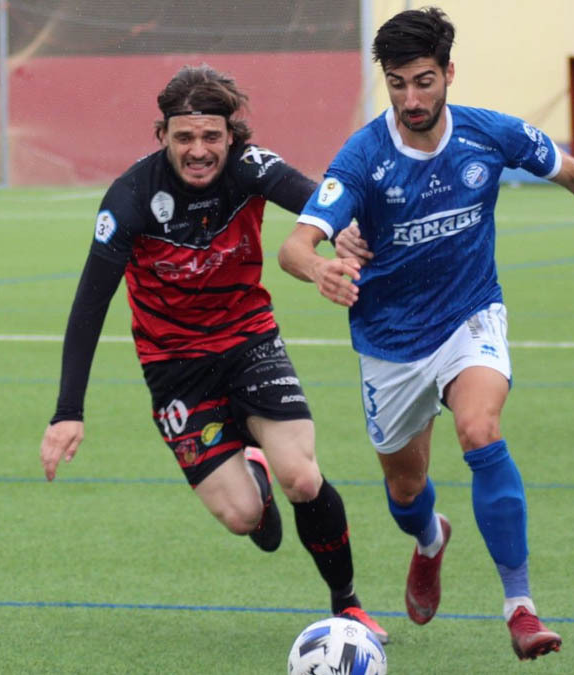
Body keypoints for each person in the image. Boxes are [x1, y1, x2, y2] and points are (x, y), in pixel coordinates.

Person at [277, 8, 574, 661]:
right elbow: (294, 246)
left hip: (470, 316)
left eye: (424, 81)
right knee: (406, 491)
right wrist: (319, 267)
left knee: (480, 430)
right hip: (388, 341)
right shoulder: (363, 156)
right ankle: (430, 537)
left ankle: (520, 606)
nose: (411, 99)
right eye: (398, 84)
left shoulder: (489, 134)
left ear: (449, 74)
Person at [38, 64, 387, 643]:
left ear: (231, 135)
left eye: (210, 137)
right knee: (244, 517)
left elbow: (314, 198)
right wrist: (67, 411)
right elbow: (89, 307)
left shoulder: (251, 167)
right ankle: (254, 477)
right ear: (163, 136)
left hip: (249, 341)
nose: (198, 151)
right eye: (184, 137)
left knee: (302, 476)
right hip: (174, 369)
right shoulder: (129, 198)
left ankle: (347, 606)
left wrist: (341, 226)